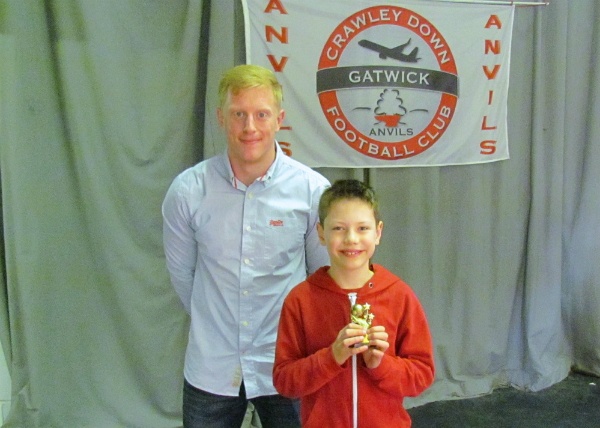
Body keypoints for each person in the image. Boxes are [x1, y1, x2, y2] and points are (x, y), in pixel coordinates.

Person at [162, 64, 330, 428]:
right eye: (239, 114)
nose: (249, 127)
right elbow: (183, 276)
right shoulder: (188, 192)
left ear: (279, 120)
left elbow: (322, 279)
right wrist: (215, 321)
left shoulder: (312, 192)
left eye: (261, 114)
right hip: (212, 365)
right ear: (221, 118)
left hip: (287, 359)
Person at [273, 179, 435, 427]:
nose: (351, 239)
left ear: (378, 233)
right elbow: (285, 381)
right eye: (338, 228)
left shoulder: (399, 295)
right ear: (321, 233)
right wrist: (331, 357)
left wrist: (381, 365)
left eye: (362, 228)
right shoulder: (300, 300)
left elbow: (422, 375)